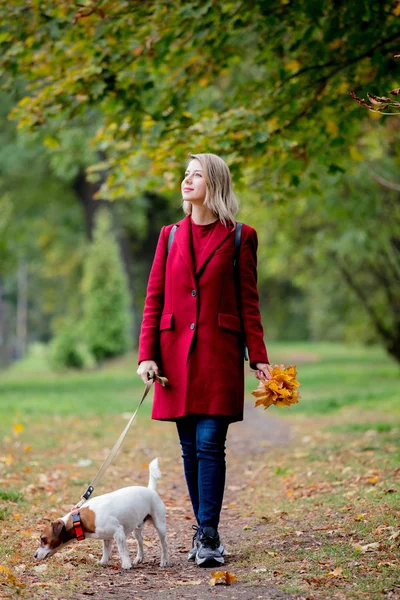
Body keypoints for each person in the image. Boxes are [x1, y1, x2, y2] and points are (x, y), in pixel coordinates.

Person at [137, 153, 271, 568]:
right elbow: (154, 297)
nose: (187, 180)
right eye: (185, 174)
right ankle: (203, 528)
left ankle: (208, 535)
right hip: (174, 354)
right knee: (190, 448)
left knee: (211, 443)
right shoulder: (169, 235)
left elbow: (249, 301)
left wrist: (259, 358)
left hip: (219, 354)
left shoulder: (240, 237)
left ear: (214, 184)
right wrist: (147, 355)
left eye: (196, 175)